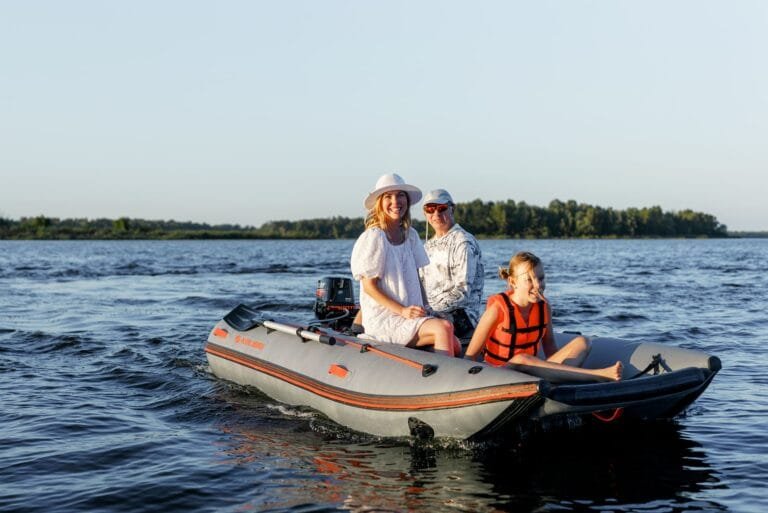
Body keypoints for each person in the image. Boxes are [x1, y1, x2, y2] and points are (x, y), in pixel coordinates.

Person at [464, 251, 622, 381]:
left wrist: (555, 370)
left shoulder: (544, 307)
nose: (538, 285)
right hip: (500, 375)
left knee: (583, 342)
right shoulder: (497, 309)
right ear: (513, 282)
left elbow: (550, 349)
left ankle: (560, 382)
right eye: (529, 280)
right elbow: (470, 356)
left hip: (532, 374)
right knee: (522, 359)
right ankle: (598, 376)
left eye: (540, 278)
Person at [350, 173, 459, 356]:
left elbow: (416, 278)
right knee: (443, 328)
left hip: (410, 315)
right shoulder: (375, 236)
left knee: (454, 343)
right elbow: (369, 287)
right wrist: (403, 311)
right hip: (386, 319)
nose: (395, 201)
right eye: (388, 197)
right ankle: (446, 381)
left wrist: (428, 309)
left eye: (400, 195)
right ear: (379, 203)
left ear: (407, 200)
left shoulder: (411, 235)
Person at [419, 189, 484, 341]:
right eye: (430, 209)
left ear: (452, 209)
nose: (436, 214)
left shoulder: (464, 242)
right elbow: (420, 287)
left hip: (463, 318)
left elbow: (462, 292)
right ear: (425, 213)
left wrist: (430, 312)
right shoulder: (426, 247)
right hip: (432, 314)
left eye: (441, 209)